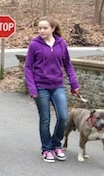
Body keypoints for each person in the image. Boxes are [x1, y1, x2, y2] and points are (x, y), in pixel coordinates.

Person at [24, 17, 80, 163]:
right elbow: (28, 67)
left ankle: (56, 145)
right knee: (45, 119)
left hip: (57, 85)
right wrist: (32, 88)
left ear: (53, 29)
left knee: (63, 117)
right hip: (40, 86)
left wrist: (74, 84)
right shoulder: (34, 45)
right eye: (39, 28)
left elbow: (68, 65)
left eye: (45, 28)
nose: (41, 30)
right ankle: (46, 149)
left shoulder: (61, 44)